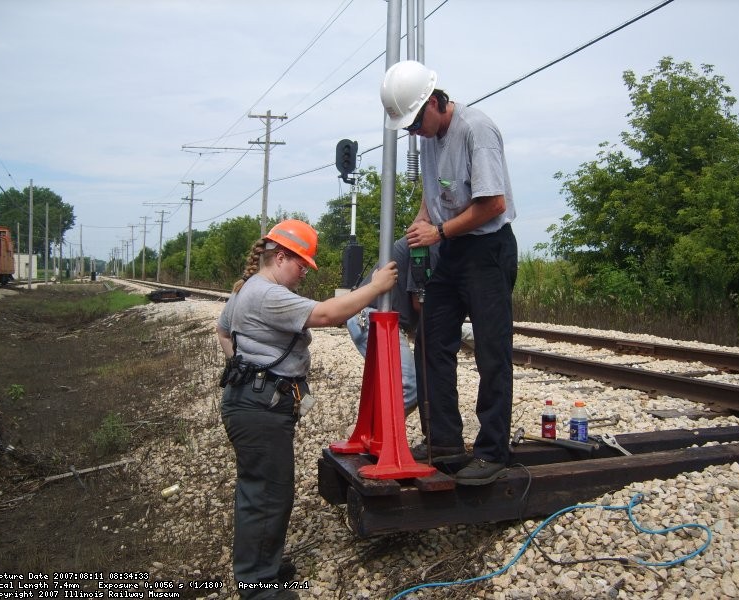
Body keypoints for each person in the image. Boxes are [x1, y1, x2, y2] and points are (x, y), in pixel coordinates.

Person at [216, 219, 398, 599]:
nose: (302, 272)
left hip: (254, 401)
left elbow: (222, 331)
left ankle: (264, 566)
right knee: (266, 493)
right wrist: (375, 287)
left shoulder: (247, 289)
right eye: (301, 264)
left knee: (267, 490)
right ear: (280, 257)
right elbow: (329, 314)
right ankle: (259, 587)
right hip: (259, 408)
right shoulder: (266, 294)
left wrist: (246, 366)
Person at [381, 60, 518, 486]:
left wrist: (437, 232)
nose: (414, 132)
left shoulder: (478, 130)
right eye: (408, 127)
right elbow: (433, 195)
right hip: (452, 249)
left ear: (437, 101)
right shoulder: (428, 139)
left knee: (491, 351)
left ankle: (493, 451)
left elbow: (492, 204)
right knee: (430, 340)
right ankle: (445, 444)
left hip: (488, 249)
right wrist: (423, 225)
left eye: (417, 121)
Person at [345, 235, 439, 417]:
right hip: (372, 318)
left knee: (392, 389)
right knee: (408, 388)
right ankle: (376, 437)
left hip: (372, 317)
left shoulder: (427, 238)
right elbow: (418, 302)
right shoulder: (430, 243)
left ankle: (373, 435)